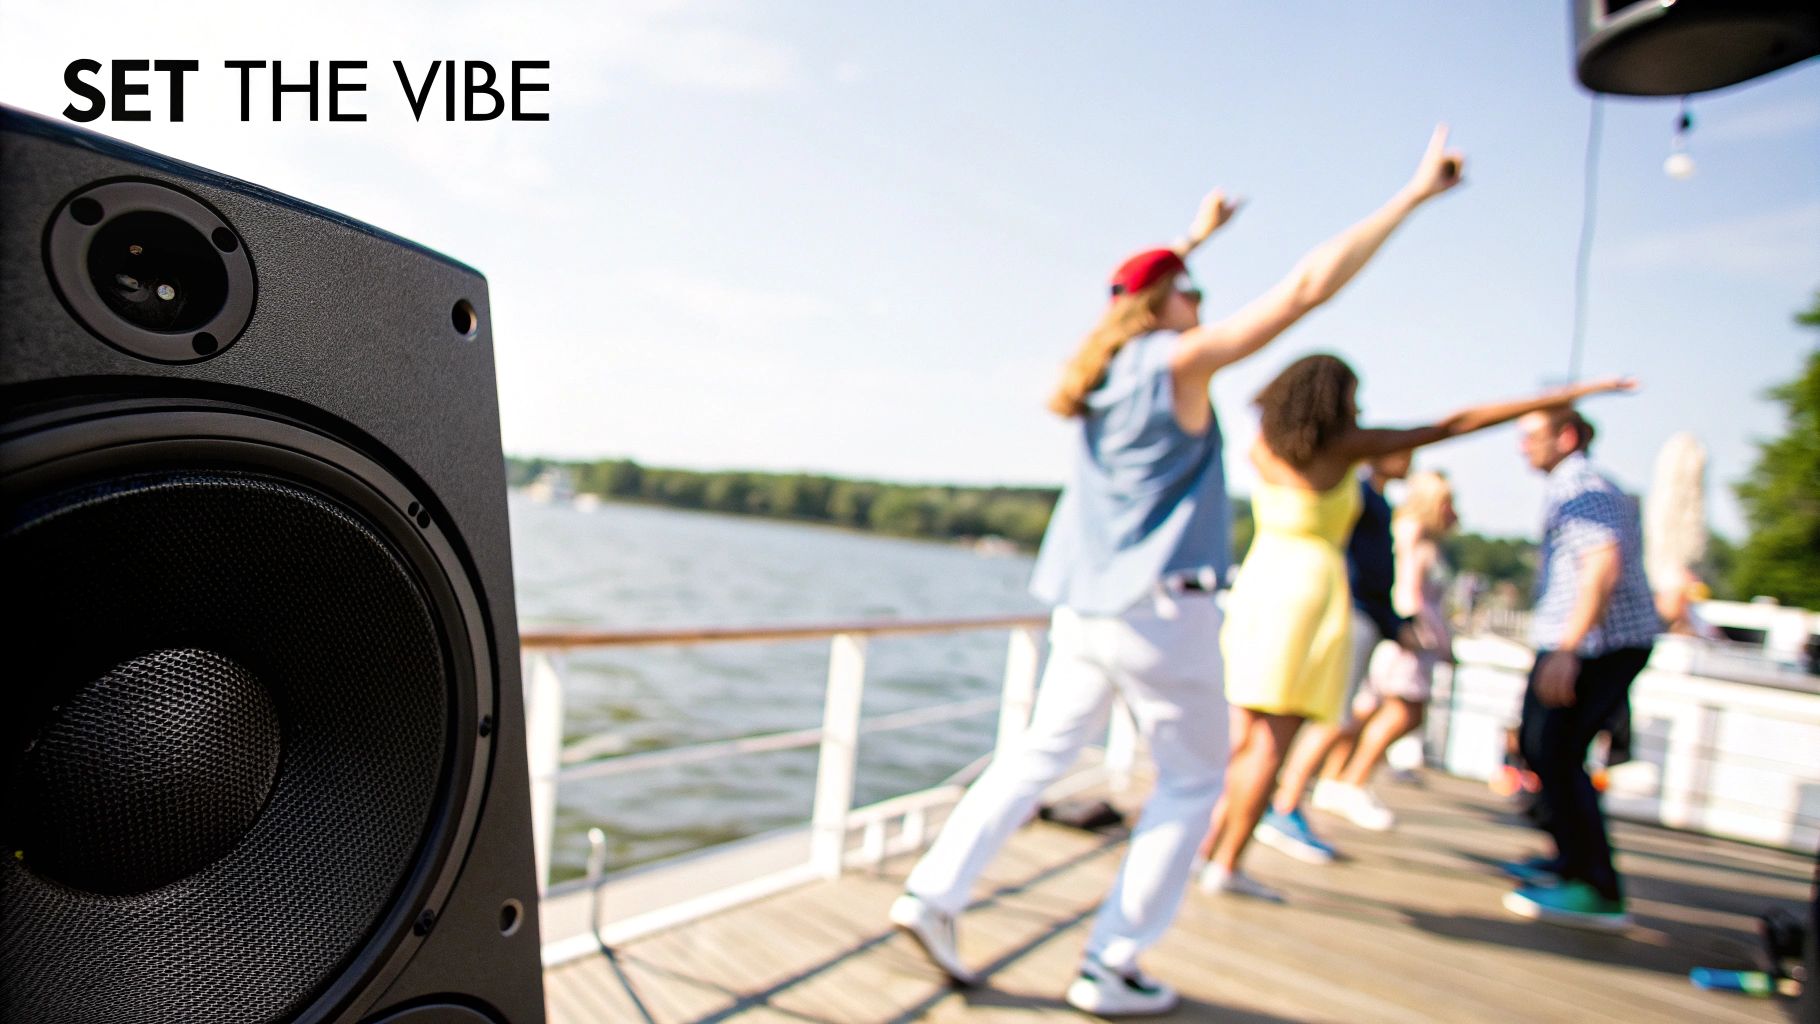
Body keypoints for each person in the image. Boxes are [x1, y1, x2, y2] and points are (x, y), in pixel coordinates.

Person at [889, 125, 1465, 1017]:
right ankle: (1112, 965)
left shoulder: (1100, 371)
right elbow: (1308, 289)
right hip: (1163, 611)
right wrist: (1412, 196)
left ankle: (932, 894)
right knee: (1195, 781)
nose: (1201, 302)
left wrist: (1195, 237)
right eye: (1192, 290)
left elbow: (1126, 300)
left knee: (1040, 752)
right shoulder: (1178, 363)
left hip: (1084, 610)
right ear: (1169, 304)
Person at [1196, 356, 1633, 900]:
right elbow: (1455, 423)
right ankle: (1226, 866)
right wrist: (1570, 393)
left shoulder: (1262, 446)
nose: (1358, 409)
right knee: (1271, 748)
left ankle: (1207, 848)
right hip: (1308, 594)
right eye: (1352, 398)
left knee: (1242, 741)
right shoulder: (1342, 450)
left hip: (1259, 584)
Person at [1501, 406, 1661, 930]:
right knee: (1543, 748)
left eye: (1532, 437)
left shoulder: (1584, 487)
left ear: (1566, 436)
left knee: (1559, 752)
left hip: (1597, 643)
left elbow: (1602, 567)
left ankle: (1596, 886)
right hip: (1583, 640)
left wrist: (1567, 649)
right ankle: (1570, 863)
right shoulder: (1573, 485)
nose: (1522, 447)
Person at [1248, 449, 1417, 863]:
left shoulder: (1369, 497)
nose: (1409, 459)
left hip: (1361, 614)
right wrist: (1390, 620)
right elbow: (1363, 567)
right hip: (1355, 613)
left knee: (1332, 715)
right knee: (1330, 717)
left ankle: (1283, 802)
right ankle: (1284, 806)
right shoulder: (1359, 496)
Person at [1323, 469, 1460, 830]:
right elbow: (1408, 586)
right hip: (1410, 633)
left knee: (1369, 708)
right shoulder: (1412, 529)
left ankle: (1335, 777)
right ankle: (1350, 778)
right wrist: (1413, 629)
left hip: (1407, 629)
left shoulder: (1412, 528)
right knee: (1403, 711)